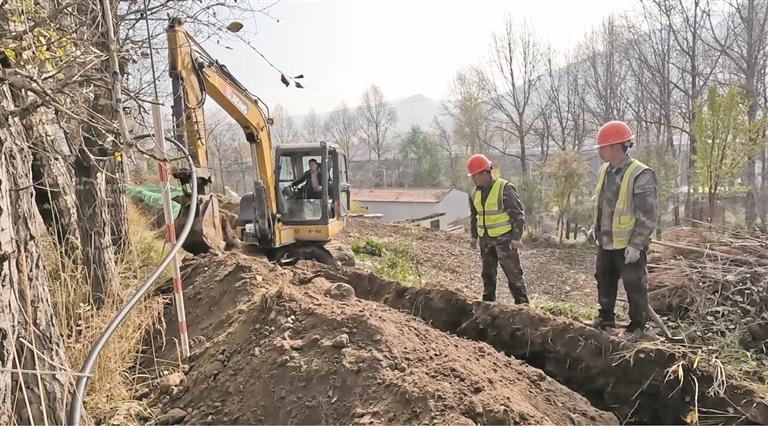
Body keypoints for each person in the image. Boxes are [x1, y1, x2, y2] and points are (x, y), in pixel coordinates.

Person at [589, 120, 658, 338]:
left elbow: (648, 214)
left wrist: (636, 245)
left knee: (634, 285)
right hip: (606, 242)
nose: (599, 151)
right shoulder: (604, 171)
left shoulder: (640, 174)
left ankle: (637, 326)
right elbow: (602, 205)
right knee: (604, 279)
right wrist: (595, 228)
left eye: (602, 146)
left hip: (629, 245)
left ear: (615, 146)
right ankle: (606, 317)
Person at [467, 154, 529, 304]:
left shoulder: (504, 188)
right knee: (488, 275)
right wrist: (474, 236)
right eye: (472, 176)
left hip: (504, 240)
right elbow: (474, 217)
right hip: (485, 240)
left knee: (513, 275)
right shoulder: (474, 193)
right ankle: (488, 305)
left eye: (476, 176)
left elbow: (518, 215)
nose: (474, 179)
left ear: (486, 172)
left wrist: (516, 238)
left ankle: (523, 307)